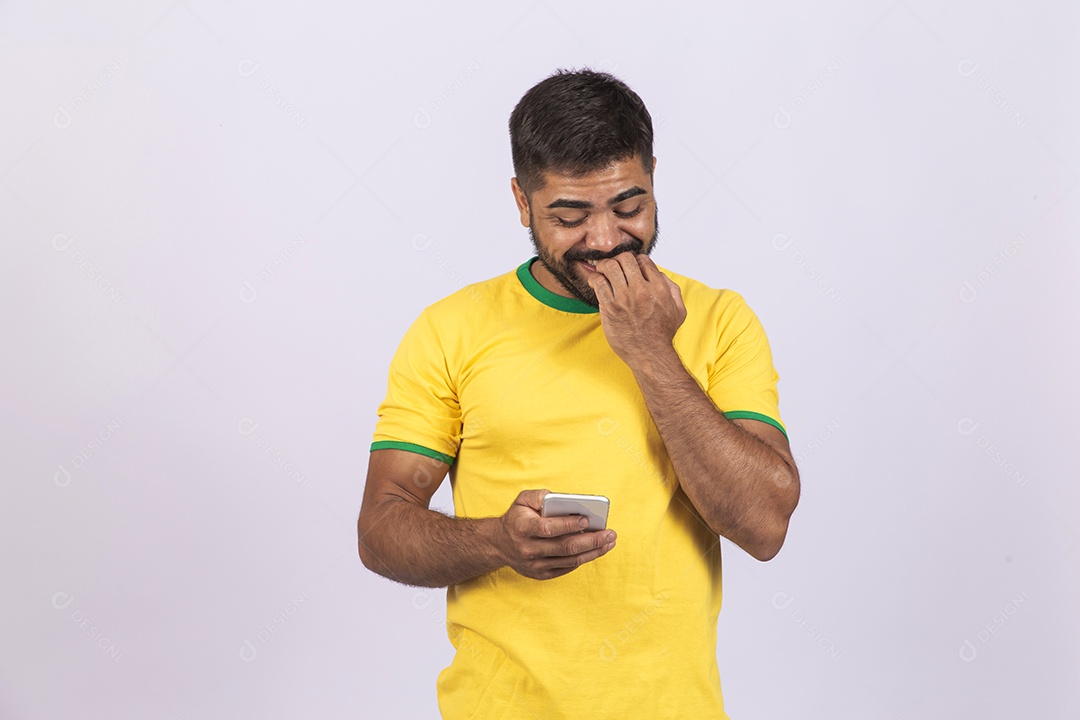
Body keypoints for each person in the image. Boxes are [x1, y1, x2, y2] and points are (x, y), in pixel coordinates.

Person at [358, 68, 800, 720]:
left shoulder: (718, 319)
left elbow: (764, 525)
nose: (604, 239)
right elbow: (381, 529)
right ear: (521, 202)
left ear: (653, 176)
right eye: (569, 215)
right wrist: (497, 542)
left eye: (630, 207)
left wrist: (651, 351)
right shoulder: (450, 330)